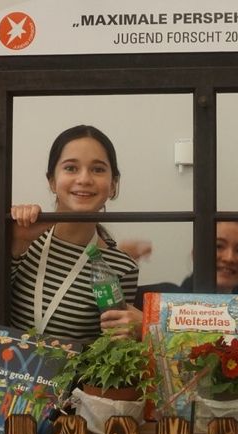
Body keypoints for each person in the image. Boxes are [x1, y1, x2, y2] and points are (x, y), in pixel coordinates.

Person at [10, 125, 143, 341]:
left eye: (98, 169)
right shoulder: (24, 240)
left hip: (73, 365)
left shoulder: (122, 267)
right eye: (71, 168)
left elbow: (112, 347)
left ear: (113, 185)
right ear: (52, 181)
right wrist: (16, 244)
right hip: (5, 362)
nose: (84, 179)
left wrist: (140, 330)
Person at [127, 221, 238, 333]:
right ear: (195, 253)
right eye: (218, 246)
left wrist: (151, 326)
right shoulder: (153, 299)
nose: (229, 258)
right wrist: (121, 261)